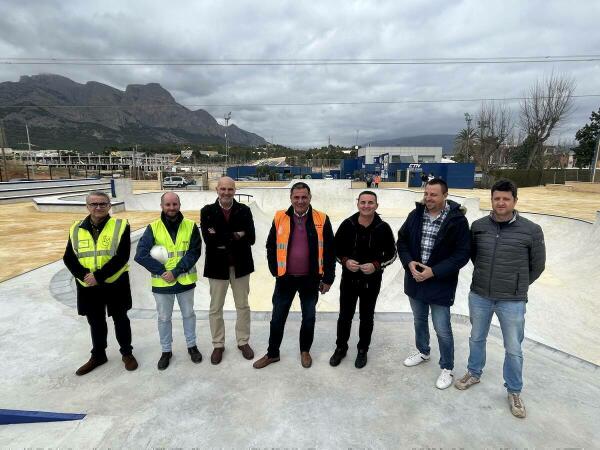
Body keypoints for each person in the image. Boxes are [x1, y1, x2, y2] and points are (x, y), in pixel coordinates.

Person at [454, 179, 545, 419]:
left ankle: (514, 390)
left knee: (513, 348)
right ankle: (474, 372)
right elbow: (474, 256)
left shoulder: (531, 230)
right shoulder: (478, 226)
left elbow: (537, 266)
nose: (501, 202)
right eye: (497, 198)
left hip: (512, 300)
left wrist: (517, 285)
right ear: (491, 200)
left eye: (506, 198)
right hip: (481, 294)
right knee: (476, 338)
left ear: (515, 201)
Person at [397, 178, 470, 389]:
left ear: (445, 196)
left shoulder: (457, 221)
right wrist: (409, 262)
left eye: (434, 194)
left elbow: (462, 254)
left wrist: (434, 272)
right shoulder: (416, 215)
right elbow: (401, 241)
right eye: (426, 194)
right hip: (415, 279)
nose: (428, 198)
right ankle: (423, 351)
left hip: (440, 283)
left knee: (442, 328)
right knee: (419, 320)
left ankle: (447, 367)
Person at [254, 182, 335, 369]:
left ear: (310, 198)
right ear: (290, 198)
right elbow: (270, 245)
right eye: (296, 197)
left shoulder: (322, 218)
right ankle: (272, 353)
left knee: (308, 317)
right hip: (285, 279)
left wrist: (328, 279)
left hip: (311, 279)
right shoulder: (279, 217)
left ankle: (305, 351)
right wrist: (275, 270)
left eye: (304, 197)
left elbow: (330, 250)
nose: (300, 201)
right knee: (277, 318)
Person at [63, 191, 138, 375]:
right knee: (95, 321)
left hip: (115, 282)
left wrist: (98, 276)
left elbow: (122, 256)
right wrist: (84, 275)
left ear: (109, 206)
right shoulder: (75, 228)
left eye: (102, 204)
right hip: (88, 285)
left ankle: (127, 353)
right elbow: (69, 257)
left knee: (121, 319)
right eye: (94, 204)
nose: (98, 207)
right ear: (87, 206)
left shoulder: (120, 225)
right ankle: (98, 355)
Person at [134, 192, 202, 370]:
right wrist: (164, 272)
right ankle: (166, 351)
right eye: (168, 205)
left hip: (185, 281)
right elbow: (140, 255)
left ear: (179, 205)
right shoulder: (153, 228)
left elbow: (194, 252)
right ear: (162, 206)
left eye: (175, 204)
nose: (172, 208)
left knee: (189, 315)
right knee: (164, 318)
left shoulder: (190, 226)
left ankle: (192, 346)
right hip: (162, 283)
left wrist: (177, 271)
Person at [329, 191, 396, 368]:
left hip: (371, 282)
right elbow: (335, 250)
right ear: (357, 204)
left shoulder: (383, 228)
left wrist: (376, 264)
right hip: (349, 280)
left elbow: (392, 254)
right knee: (345, 316)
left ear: (377, 205)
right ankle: (341, 348)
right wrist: (345, 261)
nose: (367, 206)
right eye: (363, 202)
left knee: (367, 317)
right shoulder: (347, 224)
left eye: (370, 202)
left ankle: (362, 350)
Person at [200, 177, 256, 364]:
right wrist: (237, 234)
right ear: (217, 189)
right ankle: (218, 344)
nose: (226, 192)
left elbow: (252, 237)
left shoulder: (244, 210)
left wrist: (221, 236)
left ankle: (243, 341)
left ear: (234, 190)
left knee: (243, 306)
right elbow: (209, 240)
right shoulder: (207, 211)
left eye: (229, 189)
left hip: (241, 267)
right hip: (217, 268)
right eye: (222, 189)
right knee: (215, 308)